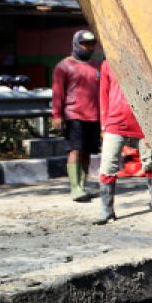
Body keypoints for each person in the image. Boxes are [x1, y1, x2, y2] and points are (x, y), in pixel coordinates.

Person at [94, 59, 152, 224]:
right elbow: (103, 95)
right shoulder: (107, 64)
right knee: (108, 164)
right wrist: (104, 125)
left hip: (142, 123)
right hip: (114, 122)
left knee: (150, 163)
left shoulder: (142, 60)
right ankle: (107, 210)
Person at [51, 29, 101, 202]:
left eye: (91, 44)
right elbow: (58, 92)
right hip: (74, 115)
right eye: (85, 44)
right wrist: (57, 114)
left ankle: (83, 185)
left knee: (88, 151)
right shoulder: (64, 66)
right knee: (75, 150)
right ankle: (74, 188)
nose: (88, 48)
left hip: (94, 116)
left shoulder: (96, 66)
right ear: (76, 44)